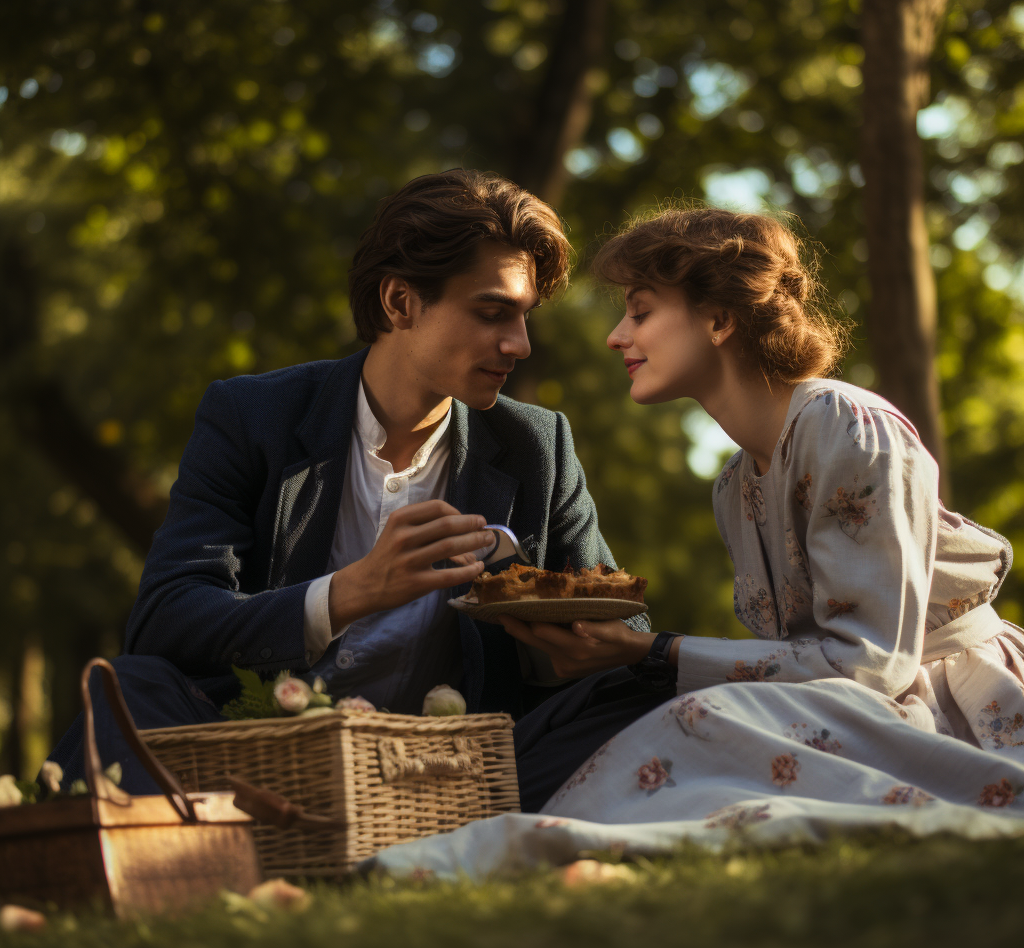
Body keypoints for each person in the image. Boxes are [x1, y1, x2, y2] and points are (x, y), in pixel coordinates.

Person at [48, 168, 652, 792]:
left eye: (525, 317)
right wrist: (347, 593)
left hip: (452, 769)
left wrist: (559, 637)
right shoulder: (254, 416)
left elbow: (623, 629)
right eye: (493, 312)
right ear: (400, 302)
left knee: (630, 698)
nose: (519, 344)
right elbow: (165, 619)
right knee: (134, 687)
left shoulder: (538, 444)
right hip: (270, 754)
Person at [508, 205, 1024, 818]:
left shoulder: (847, 427)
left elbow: (870, 670)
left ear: (720, 319)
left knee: (692, 721)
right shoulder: (735, 484)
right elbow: (801, 658)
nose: (618, 334)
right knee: (605, 707)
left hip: (947, 703)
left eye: (641, 311)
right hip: (835, 706)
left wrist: (654, 651)